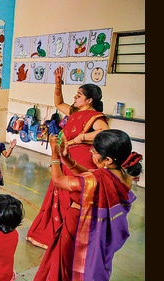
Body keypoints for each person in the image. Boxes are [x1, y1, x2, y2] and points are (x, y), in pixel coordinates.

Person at [28, 129, 143, 281]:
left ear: (108, 160)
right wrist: (67, 159)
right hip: (96, 235)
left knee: (69, 273)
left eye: (95, 152)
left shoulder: (97, 179)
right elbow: (88, 175)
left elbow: (59, 181)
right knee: (90, 271)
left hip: (78, 231)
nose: (92, 154)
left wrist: (55, 156)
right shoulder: (121, 176)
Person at [26, 65, 109, 249]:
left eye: (79, 95)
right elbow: (58, 103)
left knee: (73, 197)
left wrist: (83, 137)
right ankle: (55, 232)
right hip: (66, 158)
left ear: (89, 100)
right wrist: (57, 83)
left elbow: (105, 132)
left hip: (80, 162)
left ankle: (71, 234)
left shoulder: (95, 117)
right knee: (59, 193)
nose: (75, 97)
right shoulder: (75, 112)